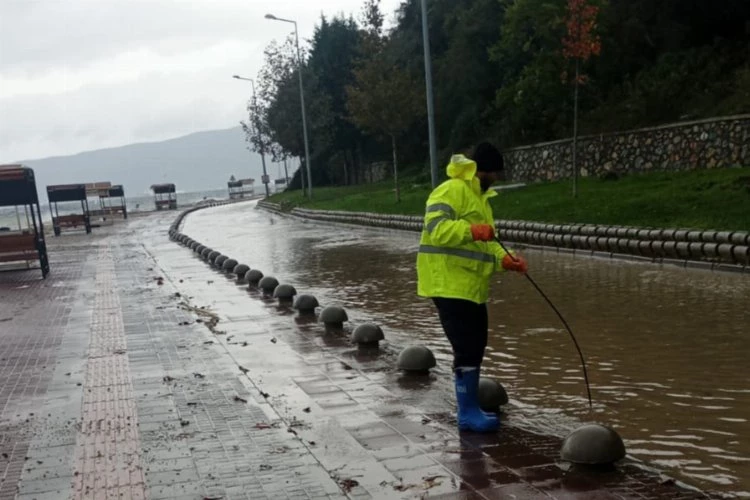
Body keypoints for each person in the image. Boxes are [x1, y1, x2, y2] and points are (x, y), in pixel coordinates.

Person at [416, 142, 528, 432]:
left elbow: (489, 244)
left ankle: (470, 408)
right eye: (495, 173)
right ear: (483, 170)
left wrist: (508, 260)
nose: (497, 179)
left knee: (476, 345)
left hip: (470, 286)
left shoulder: (481, 199)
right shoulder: (450, 190)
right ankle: (466, 413)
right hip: (448, 284)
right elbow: (437, 229)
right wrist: (471, 230)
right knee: (466, 347)